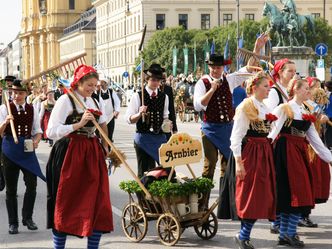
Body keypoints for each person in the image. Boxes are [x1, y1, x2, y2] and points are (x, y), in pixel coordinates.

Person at [195, 34, 269, 208]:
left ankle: (226, 203)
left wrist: (257, 49)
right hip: (210, 130)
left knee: (228, 166)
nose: (216, 70)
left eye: (218, 67)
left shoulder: (229, 79)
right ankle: (202, 203)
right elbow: (199, 105)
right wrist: (212, 90)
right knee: (209, 166)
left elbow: (249, 69)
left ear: (222, 68)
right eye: (213, 67)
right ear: (209, 67)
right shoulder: (202, 82)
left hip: (226, 128)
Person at [46, 65, 113, 249]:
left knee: (98, 202)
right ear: (78, 82)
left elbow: (103, 123)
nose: (92, 89)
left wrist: (106, 146)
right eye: (89, 85)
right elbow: (51, 131)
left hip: (92, 154)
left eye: (94, 85)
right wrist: (78, 125)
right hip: (69, 153)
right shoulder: (66, 101)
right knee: (66, 202)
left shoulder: (94, 101)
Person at [268, 78, 332, 248]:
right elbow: (273, 132)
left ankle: (286, 234)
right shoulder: (284, 108)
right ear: (296, 89)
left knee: (300, 193)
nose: (308, 92)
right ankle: (287, 234)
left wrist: (330, 159)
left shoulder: (306, 109)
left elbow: (314, 139)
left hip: (299, 152)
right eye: (305, 89)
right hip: (284, 152)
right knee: (292, 193)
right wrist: (263, 156)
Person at [228, 71, 277, 249]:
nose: (268, 89)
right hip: (251, 153)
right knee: (251, 196)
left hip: (264, 152)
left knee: (264, 196)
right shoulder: (245, 106)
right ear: (255, 88)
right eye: (265, 86)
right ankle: (243, 236)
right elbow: (236, 137)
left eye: (269, 86)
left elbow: (271, 129)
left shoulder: (264, 107)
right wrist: (239, 162)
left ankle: (244, 235)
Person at [0, 79, 44, 235]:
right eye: (14, 92)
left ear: (26, 94)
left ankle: (28, 218)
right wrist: (5, 122)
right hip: (10, 150)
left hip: (26, 149)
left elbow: (38, 131)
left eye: (20, 93)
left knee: (32, 185)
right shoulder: (5, 108)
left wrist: (36, 141)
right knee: (11, 189)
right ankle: (13, 223)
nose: (16, 96)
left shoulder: (32, 109)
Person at [264, 58, 296, 234]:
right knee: (278, 181)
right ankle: (276, 219)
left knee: (286, 182)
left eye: (294, 71)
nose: (293, 74)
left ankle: (284, 219)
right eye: (289, 71)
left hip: (289, 141)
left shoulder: (289, 91)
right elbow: (269, 116)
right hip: (278, 140)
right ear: (280, 73)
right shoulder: (275, 92)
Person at [125, 63, 169, 178]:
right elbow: (129, 119)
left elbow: (165, 116)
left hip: (159, 138)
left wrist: (168, 125)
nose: (156, 83)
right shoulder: (138, 96)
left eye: (158, 80)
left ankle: (156, 196)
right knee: (145, 172)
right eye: (153, 80)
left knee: (164, 171)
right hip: (143, 138)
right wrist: (139, 114)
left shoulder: (164, 97)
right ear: (147, 80)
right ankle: (143, 195)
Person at [92, 75, 120, 143]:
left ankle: (109, 149)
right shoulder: (97, 92)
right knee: (99, 135)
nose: (101, 84)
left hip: (110, 117)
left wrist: (116, 111)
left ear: (105, 83)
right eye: (100, 82)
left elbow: (117, 102)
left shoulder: (111, 92)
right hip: (100, 117)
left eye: (102, 82)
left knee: (109, 135)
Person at [160, 68, 178, 140]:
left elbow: (171, 108)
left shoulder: (168, 89)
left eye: (163, 79)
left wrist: (174, 128)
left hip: (166, 123)